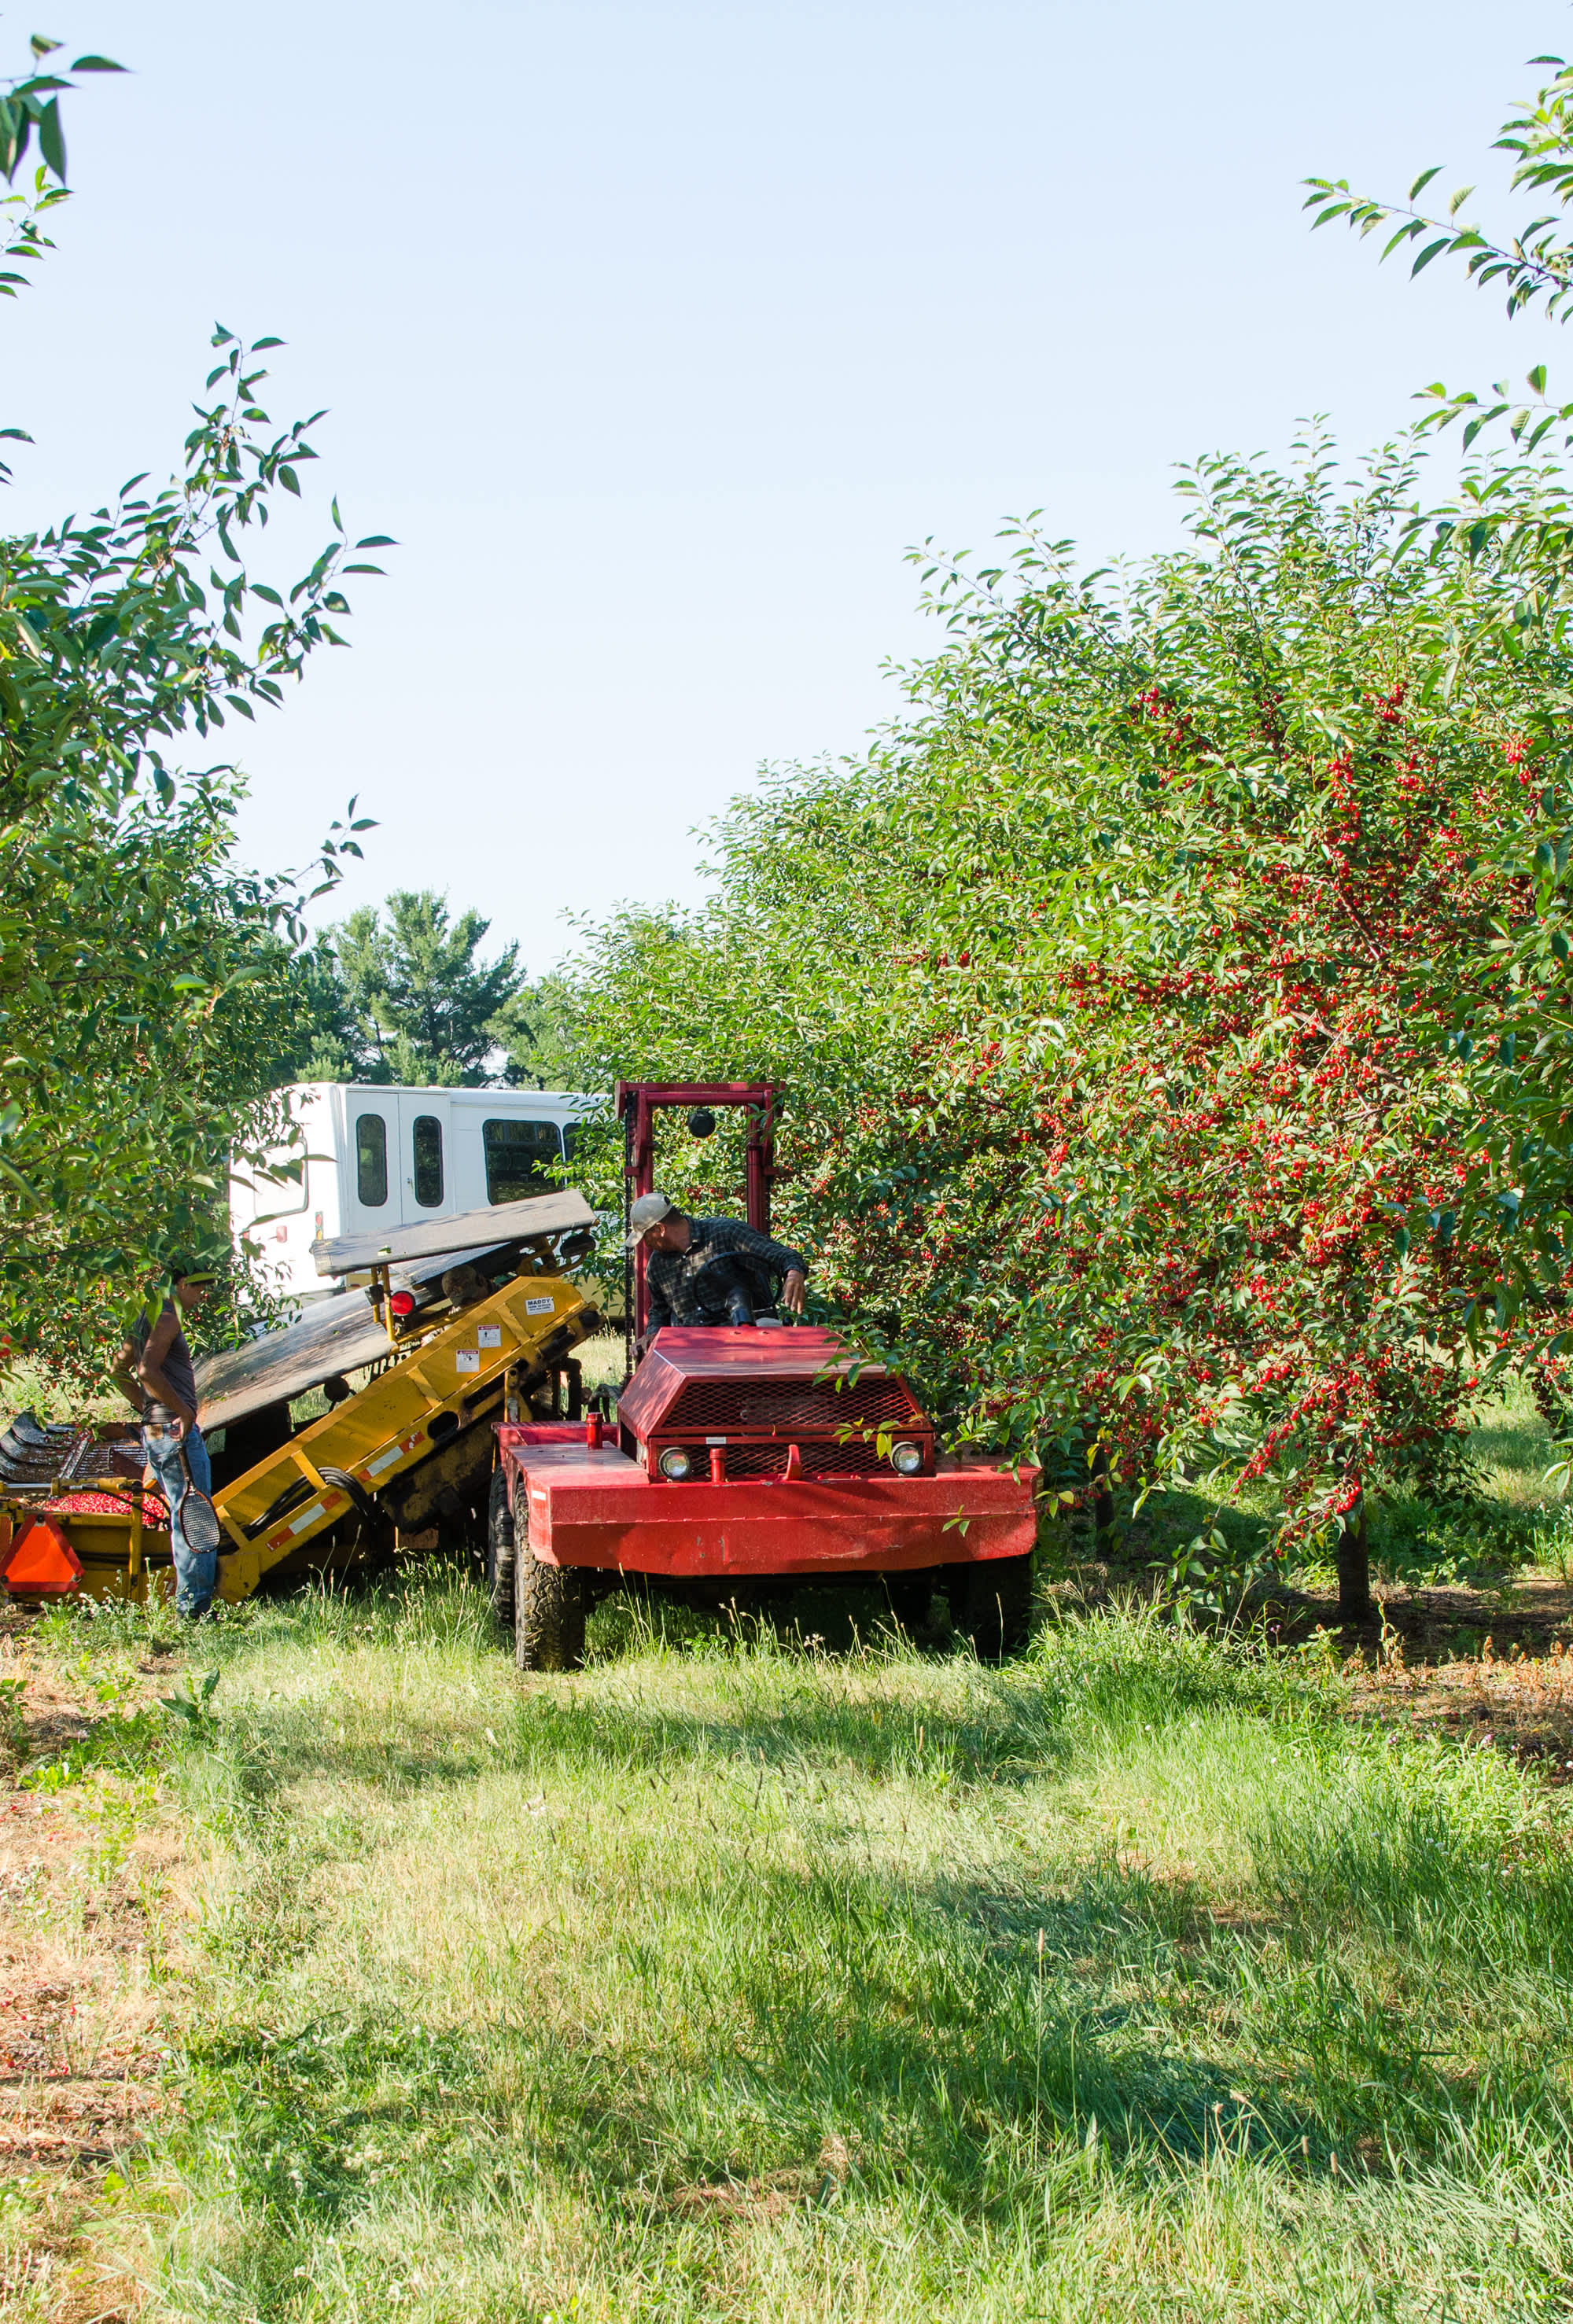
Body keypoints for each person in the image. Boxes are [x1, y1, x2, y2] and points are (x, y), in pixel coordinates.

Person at [110, 1258, 220, 1619]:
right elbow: (145, 1371)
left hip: (156, 1430)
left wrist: (147, 1408)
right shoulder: (169, 1316)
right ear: (182, 1283)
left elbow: (117, 1370)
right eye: (201, 1287)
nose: (204, 1295)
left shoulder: (149, 1314)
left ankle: (190, 1605)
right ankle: (194, 1610)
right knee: (195, 1515)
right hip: (175, 1432)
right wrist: (183, 1412)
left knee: (180, 1513)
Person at [628, 1193, 809, 1350]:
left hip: (750, 1343)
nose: (645, 1243)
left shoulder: (725, 1233)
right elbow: (660, 1311)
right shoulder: (657, 1266)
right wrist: (652, 1334)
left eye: (645, 1236)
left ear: (660, 1229)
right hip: (690, 1352)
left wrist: (793, 1273)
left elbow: (781, 1256)